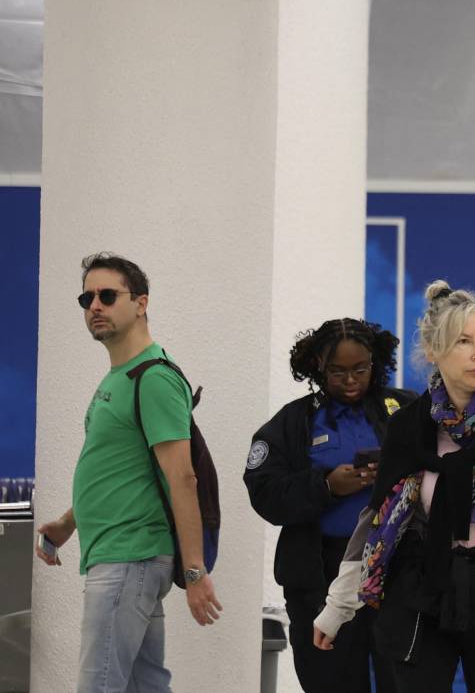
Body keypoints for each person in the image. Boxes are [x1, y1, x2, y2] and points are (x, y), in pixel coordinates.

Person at [311, 281, 475, 692]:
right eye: (463, 342)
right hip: (423, 591)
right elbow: (376, 523)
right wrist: (337, 609)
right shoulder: (409, 425)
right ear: (434, 351)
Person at [35, 253, 222, 693]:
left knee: (99, 686)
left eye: (106, 295)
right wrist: (67, 522)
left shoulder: (153, 378)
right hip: (120, 556)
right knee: (145, 686)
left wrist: (194, 572)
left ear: (140, 303)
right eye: (87, 298)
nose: (94, 306)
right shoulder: (119, 377)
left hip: (129, 557)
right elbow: (117, 468)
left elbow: (182, 478)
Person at [244, 318, 417, 692]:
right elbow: (264, 492)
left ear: (375, 363)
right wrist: (325, 486)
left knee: (402, 680)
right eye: (338, 372)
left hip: (396, 574)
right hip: (318, 576)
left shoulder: (404, 409)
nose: (351, 380)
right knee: (329, 681)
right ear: (318, 368)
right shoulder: (295, 421)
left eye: (360, 369)